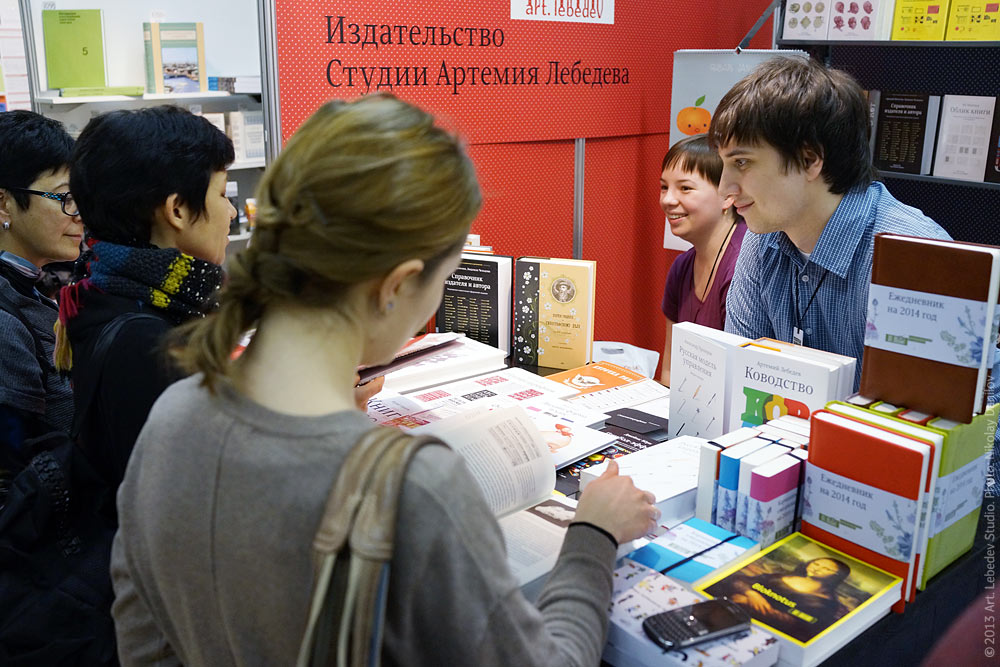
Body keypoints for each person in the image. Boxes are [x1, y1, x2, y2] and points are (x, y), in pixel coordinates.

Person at [109, 94, 659, 665]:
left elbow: (142, 640)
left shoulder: (173, 415)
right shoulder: (412, 487)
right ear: (396, 285)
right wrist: (593, 536)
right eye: (443, 279)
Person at [709, 56, 951, 392]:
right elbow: (742, 378)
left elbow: (965, 416)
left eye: (742, 162)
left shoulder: (915, 257)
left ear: (809, 160)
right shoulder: (763, 237)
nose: (724, 188)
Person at [53, 105, 236, 495]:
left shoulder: (104, 291)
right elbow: (187, 497)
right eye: (221, 194)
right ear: (177, 210)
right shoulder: (146, 340)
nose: (232, 212)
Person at [0, 111, 80, 445]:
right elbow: (19, 462)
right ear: (4, 204)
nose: (79, 214)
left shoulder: (24, 286)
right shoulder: (5, 323)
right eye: (65, 199)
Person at [658, 135, 747, 385]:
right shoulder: (681, 267)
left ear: (728, 196)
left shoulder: (744, 268)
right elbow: (670, 373)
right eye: (664, 187)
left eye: (685, 188)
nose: (667, 200)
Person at [711, 557, 853, 643]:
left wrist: (748, 602)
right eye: (816, 564)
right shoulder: (782, 576)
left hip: (763, 632)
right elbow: (740, 580)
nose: (817, 569)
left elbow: (798, 623)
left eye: (826, 569)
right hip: (725, 612)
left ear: (836, 576)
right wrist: (751, 593)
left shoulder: (826, 602)